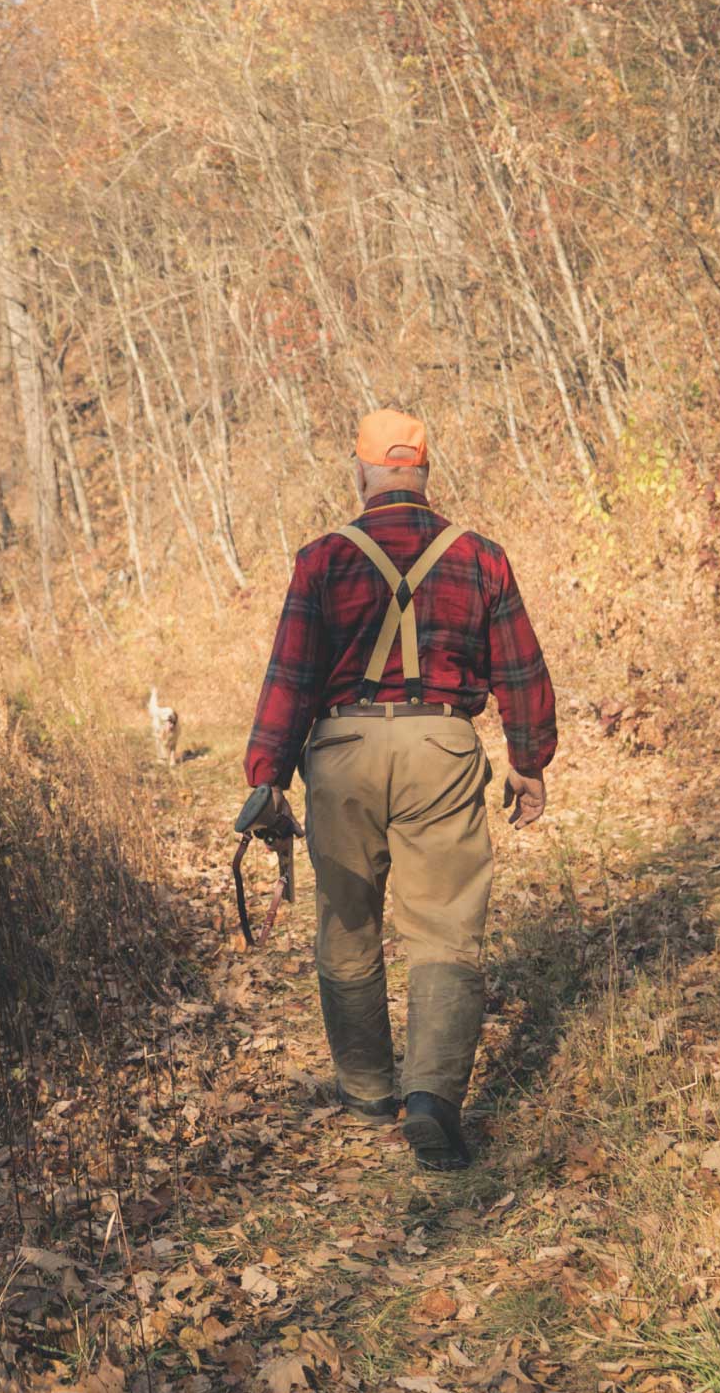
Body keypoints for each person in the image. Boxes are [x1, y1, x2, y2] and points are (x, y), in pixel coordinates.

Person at [244, 409, 555, 1170]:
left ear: (360, 473)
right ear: (425, 469)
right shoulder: (480, 557)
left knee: (348, 924)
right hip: (441, 746)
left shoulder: (323, 560)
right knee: (445, 927)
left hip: (344, 749)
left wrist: (267, 777)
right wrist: (528, 758)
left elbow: (291, 676)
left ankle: (368, 1091)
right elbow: (519, 667)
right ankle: (431, 1100)